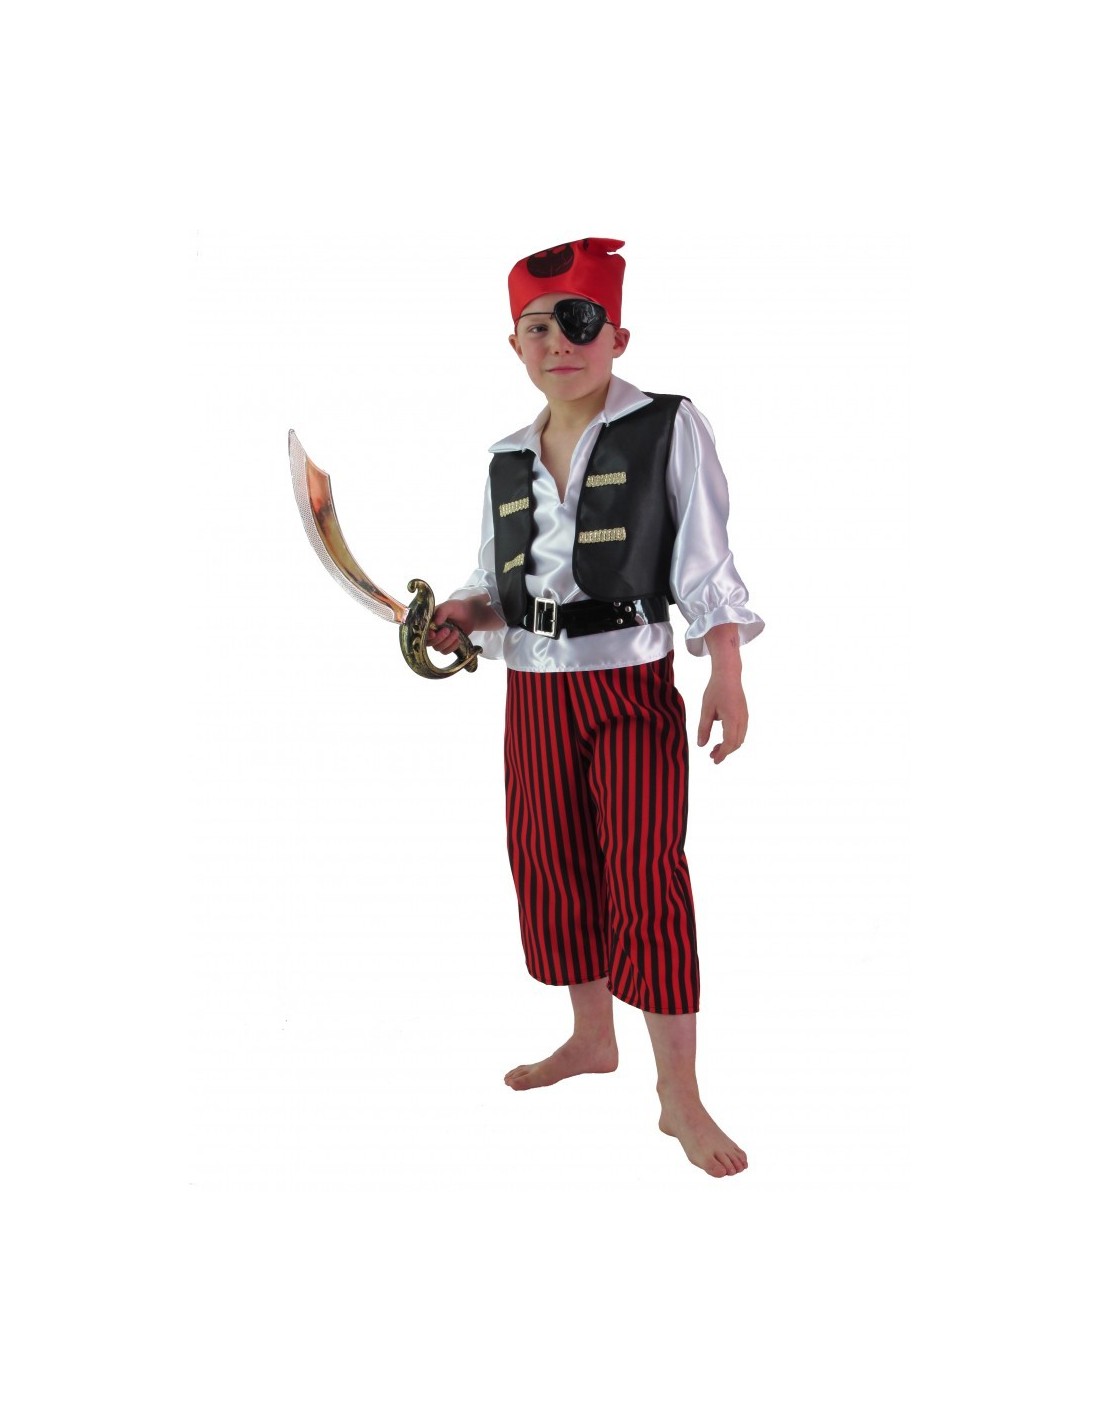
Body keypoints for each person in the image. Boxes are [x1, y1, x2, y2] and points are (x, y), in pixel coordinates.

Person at [429, 238, 764, 1178]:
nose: (559, 343)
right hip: (533, 689)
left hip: (628, 682)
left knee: (647, 871)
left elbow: (704, 557)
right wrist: (461, 614)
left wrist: (726, 668)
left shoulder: (666, 425)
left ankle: (678, 1093)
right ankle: (591, 1036)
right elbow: (496, 583)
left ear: (616, 335)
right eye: (537, 328)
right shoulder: (505, 457)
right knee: (551, 858)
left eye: (579, 323)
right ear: (515, 346)